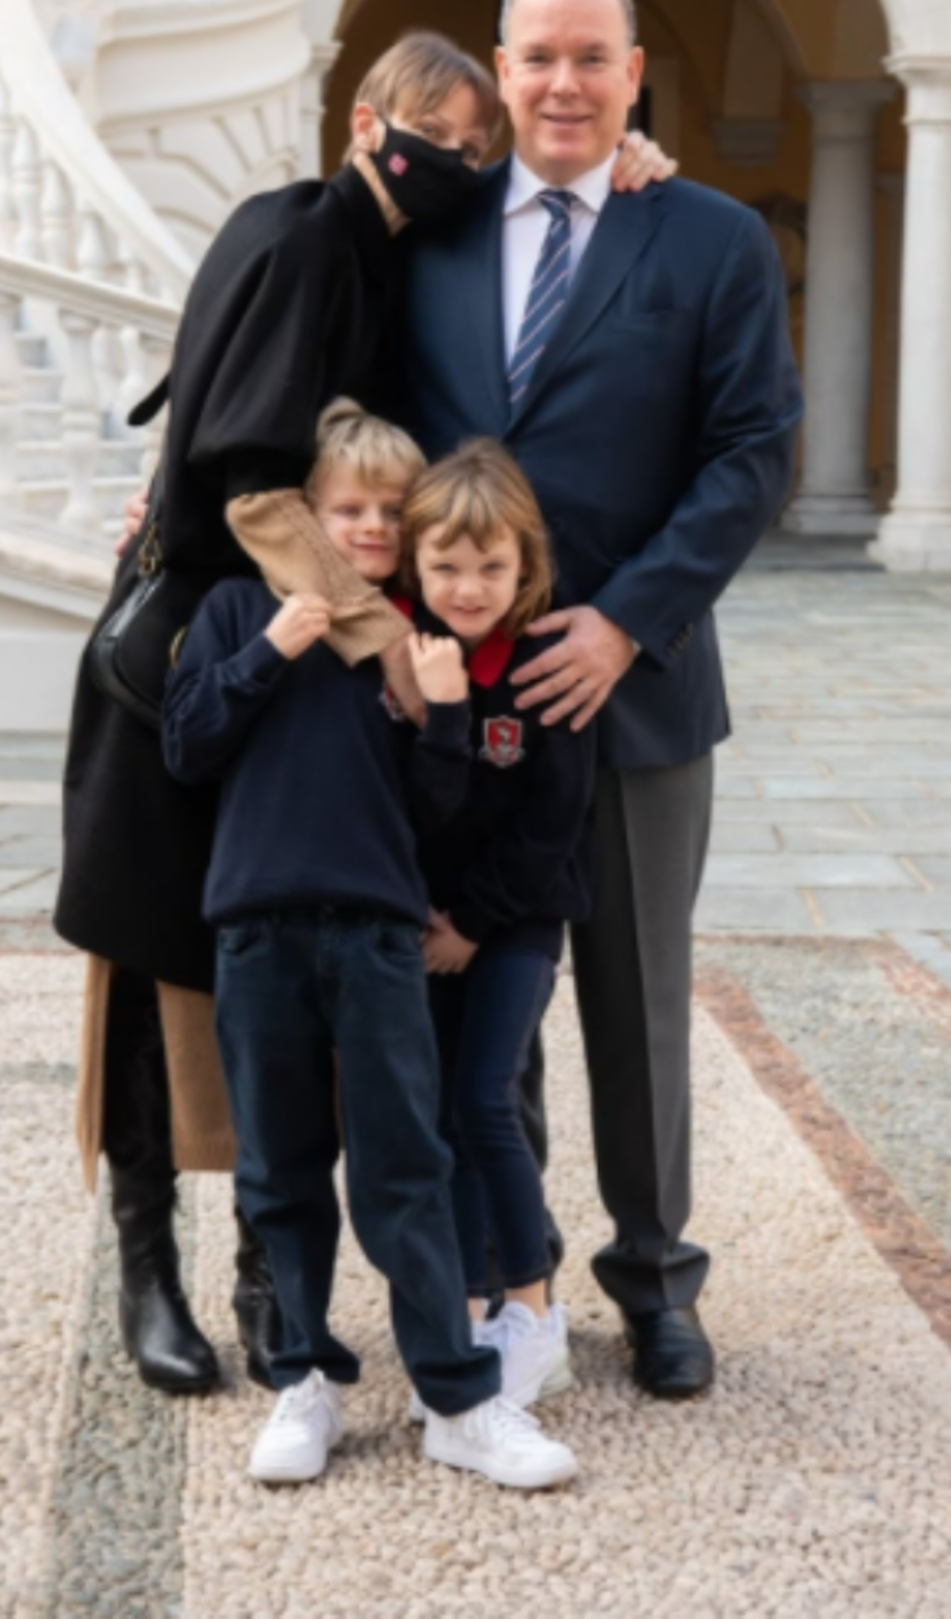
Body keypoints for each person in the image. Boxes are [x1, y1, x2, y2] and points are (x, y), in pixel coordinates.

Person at [58, 25, 671, 1397]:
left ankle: (270, 1280)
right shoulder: (297, 237)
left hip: (310, 668)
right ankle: (149, 1274)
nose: (452, 160)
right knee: (155, 967)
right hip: (212, 652)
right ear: (362, 122)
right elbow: (255, 488)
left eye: (471, 145)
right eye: (430, 136)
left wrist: (626, 160)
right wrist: (389, 642)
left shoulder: (386, 251)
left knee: (276, 968)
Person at [398, 0, 804, 1400]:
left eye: (591, 58)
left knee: (639, 1004)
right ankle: (508, 1276)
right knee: (478, 995)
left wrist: (627, 620)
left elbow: (754, 449)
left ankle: (657, 1278)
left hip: (636, 693)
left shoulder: (709, 239)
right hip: (462, 701)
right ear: (499, 70)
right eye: (538, 56)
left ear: (635, 74)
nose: (563, 83)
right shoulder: (430, 235)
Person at [162, 400, 578, 1492]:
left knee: (407, 1169)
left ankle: (458, 1399)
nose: (371, 527)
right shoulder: (237, 607)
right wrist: (267, 653)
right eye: (349, 507)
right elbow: (186, 747)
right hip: (257, 928)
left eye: (392, 510)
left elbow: (438, 814)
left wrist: (443, 715)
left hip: (381, 936)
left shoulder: (413, 645)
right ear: (311, 508)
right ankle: (304, 1377)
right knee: (280, 1168)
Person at [398, 441, 596, 1409]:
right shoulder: (404, 661)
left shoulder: (542, 667)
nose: (468, 587)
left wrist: (473, 922)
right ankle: (471, 1311)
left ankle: (533, 1309)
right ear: (413, 563)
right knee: (441, 1113)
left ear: (527, 567)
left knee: (487, 1098)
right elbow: (411, 807)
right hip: (426, 925)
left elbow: (554, 821)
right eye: (445, 565)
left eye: (491, 566)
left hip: (514, 921)